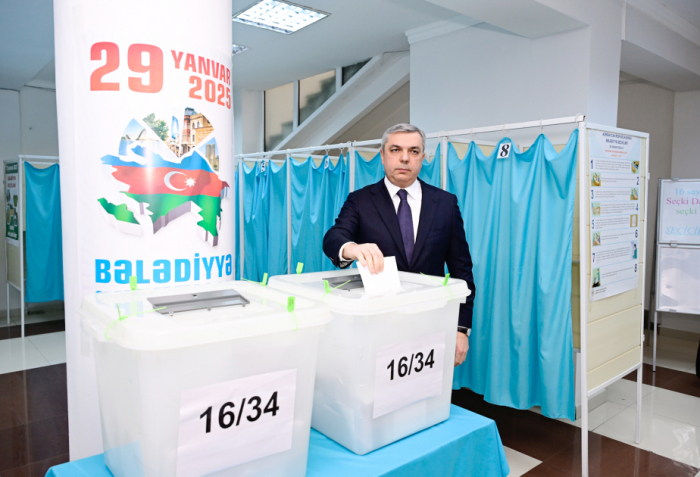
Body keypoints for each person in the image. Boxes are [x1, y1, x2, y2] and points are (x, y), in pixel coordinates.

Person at [323, 123, 475, 366]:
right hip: (378, 325)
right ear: (382, 155)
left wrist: (460, 328)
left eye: (414, 151)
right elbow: (334, 236)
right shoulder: (360, 201)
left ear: (423, 158)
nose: (405, 158)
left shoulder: (445, 203)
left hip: (430, 322)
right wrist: (352, 248)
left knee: (426, 395)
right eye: (395, 150)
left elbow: (461, 269)